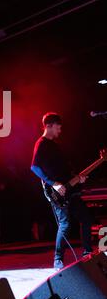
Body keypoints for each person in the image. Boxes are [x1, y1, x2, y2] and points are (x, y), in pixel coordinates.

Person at [31, 112, 92, 271]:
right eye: (58, 126)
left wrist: (78, 179)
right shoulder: (42, 143)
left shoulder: (55, 146)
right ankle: (58, 260)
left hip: (69, 190)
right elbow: (34, 167)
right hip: (56, 192)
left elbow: (64, 172)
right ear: (49, 126)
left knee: (86, 218)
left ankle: (88, 253)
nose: (60, 130)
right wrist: (54, 184)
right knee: (65, 224)